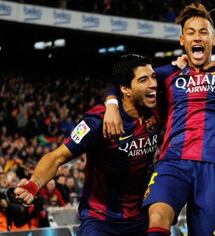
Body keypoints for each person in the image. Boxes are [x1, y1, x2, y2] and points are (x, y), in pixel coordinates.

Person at [103, 3, 215, 235]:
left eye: (203, 32)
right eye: (191, 32)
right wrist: (111, 104)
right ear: (182, 40)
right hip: (173, 161)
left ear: (213, 39)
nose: (197, 37)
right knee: (158, 214)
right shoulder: (169, 73)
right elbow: (120, 81)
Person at [14, 54, 160, 235]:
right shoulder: (96, 122)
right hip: (100, 219)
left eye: (153, 77)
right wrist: (34, 183)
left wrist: (112, 101)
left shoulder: (157, 109)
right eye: (144, 80)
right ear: (125, 88)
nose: (153, 83)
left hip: (141, 218)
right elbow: (57, 156)